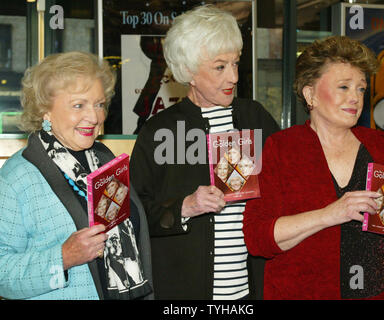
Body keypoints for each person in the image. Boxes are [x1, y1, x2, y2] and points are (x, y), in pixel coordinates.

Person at [243, 36, 384, 299]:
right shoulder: (281, 149)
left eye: (360, 89)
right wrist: (331, 213)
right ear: (310, 93)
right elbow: (258, 237)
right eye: (344, 87)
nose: (355, 98)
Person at [130, 5, 279, 299]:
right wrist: (184, 207)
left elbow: (288, 187)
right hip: (184, 290)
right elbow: (134, 214)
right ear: (188, 72)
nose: (234, 77)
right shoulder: (160, 131)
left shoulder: (255, 118)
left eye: (236, 63)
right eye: (220, 66)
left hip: (253, 289)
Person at [0, 52, 153, 300]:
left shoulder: (104, 159)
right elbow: (2, 274)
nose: (94, 117)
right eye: (78, 105)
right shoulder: (18, 176)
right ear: (45, 111)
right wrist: (63, 257)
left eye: (99, 104)